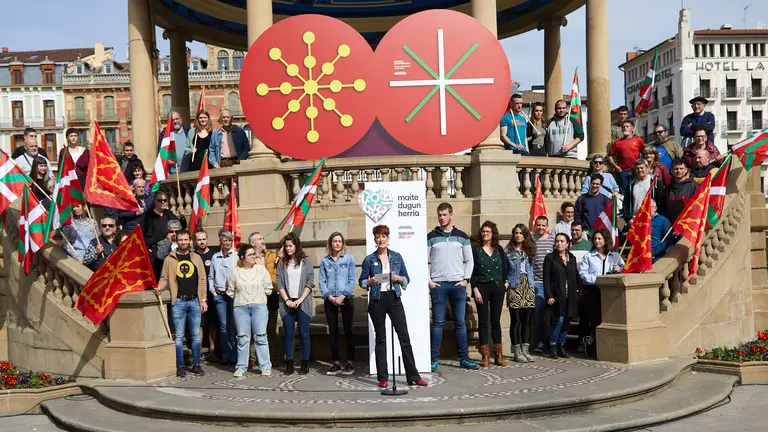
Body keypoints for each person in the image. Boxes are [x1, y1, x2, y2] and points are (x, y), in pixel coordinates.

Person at [359, 225, 427, 388]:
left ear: (388, 239)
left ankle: (413, 375)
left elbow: (407, 279)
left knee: (404, 335)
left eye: (383, 236)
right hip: (377, 299)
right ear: (375, 240)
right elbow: (361, 282)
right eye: (378, 237)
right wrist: (371, 281)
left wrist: (398, 278)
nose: (381, 239)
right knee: (381, 338)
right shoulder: (369, 259)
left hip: (394, 297)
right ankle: (383, 377)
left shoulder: (396, 257)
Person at [427, 202, 479, 372]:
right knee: (438, 323)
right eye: (439, 215)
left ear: (451, 215)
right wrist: (429, 280)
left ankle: (464, 358)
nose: (441, 218)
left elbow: (470, 260)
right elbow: (423, 260)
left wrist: (466, 279)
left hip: (458, 285)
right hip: (438, 285)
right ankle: (433, 359)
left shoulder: (462, 236)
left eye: (444, 214)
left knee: (460, 323)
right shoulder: (431, 237)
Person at [154, 230, 207, 378]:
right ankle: (180, 366)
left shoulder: (196, 258)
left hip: (194, 300)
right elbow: (164, 277)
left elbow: (202, 279)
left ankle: (196, 364)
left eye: (185, 240)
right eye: (180, 240)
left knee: (196, 335)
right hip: (178, 301)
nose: (183, 242)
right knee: (178, 336)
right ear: (177, 241)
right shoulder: (169, 259)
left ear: (190, 241)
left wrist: (203, 299)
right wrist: (159, 287)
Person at [227, 244, 273, 377]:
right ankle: (241, 366)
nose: (254, 256)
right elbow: (231, 291)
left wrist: (259, 296)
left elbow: (268, 287)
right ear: (242, 257)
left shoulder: (261, 270)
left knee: (261, 336)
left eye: (254, 254)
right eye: (250, 254)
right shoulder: (235, 272)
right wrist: (242, 298)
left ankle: (265, 366)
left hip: (259, 307)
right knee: (242, 338)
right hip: (241, 308)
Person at [579, 228, 624, 358]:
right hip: (593, 291)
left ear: (606, 240)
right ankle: (593, 345)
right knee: (595, 320)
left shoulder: (614, 256)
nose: (597, 241)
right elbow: (583, 273)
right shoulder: (589, 256)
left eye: (599, 238)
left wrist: (618, 269)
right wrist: (598, 280)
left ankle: (600, 345)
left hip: (609, 293)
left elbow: (623, 270)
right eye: (595, 239)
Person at [470, 221, 509, 367]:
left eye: (488, 231)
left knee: (496, 321)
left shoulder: (499, 249)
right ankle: (485, 354)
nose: (485, 233)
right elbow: (472, 272)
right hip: (481, 287)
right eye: (483, 231)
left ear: (493, 233)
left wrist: (506, 283)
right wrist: (475, 289)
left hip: (498, 287)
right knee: (483, 321)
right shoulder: (476, 250)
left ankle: (498, 354)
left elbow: (505, 268)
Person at [276, 233, 314, 375]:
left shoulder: (306, 261)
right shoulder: (282, 262)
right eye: (286, 246)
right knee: (289, 334)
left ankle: (305, 363)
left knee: (304, 334)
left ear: (296, 246)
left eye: (290, 246)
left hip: (302, 302)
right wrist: (287, 300)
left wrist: (300, 299)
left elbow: (310, 281)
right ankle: (289, 363)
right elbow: (279, 282)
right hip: (287, 302)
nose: (288, 248)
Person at [318, 232, 356, 376]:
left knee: (348, 330)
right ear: (330, 243)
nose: (337, 243)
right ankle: (336, 363)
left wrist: (342, 295)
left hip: (345, 298)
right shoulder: (324, 261)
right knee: (333, 332)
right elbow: (321, 281)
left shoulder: (349, 259)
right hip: (330, 299)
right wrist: (329, 296)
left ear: (343, 243)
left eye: (340, 241)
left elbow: (352, 279)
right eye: (335, 241)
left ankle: (350, 362)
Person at [543, 233, 580, 359]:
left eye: (562, 241)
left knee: (566, 321)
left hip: (570, 296)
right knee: (558, 320)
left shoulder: (572, 258)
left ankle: (561, 345)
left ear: (567, 243)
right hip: (557, 295)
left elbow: (575, 276)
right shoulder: (550, 258)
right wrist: (549, 295)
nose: (559, 243)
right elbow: (546, 279)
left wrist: (577, 292)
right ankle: (552, 345)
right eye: (557, 241)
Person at [504, 223, 537, 364]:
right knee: (516, 320)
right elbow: (505, 269)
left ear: (525, 235)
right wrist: (507, 283)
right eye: (516, 233)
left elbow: (532, 268)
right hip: (515, 285)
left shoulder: (530, 249)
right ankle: (517, 351)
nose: (518, 235)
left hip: (528, 285)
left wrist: (532, 286)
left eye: (520, 233)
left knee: (527, 321)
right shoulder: (508, 251)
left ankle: (525, 349)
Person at [249, 232, 279, 366]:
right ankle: (253, 358)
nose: (263, 241)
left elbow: (277, 275)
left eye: (263, 238)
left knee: (271, 329)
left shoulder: (272, 256)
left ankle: (272, 357)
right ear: (252, 243)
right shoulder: (247, 258)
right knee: (254, 329)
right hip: (254, 296)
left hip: (270, 295)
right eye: (259, 239)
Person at [208, 229, 237, 365]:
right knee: (223, 326)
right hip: (219, 296)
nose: (227, 243)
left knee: (235, 325)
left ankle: (235, 355)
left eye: (229, 240)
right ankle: (226, 354)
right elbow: (211, 277)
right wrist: (213, 291)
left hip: (233, 296)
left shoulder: (236, 257)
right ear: (220, 241)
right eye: (224, 240)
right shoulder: (215, 257)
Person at [531, 216, 555, 354]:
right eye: (538, 225)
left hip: (551, 284)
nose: (540, 227)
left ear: (546, 226)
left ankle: (554, 341)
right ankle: (541, 341)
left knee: (554, 315)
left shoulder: (552, 241)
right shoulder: (531, 241)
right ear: (535, 225)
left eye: (543, 225)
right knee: (538, 315)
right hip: (537, 282)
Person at [194, 230, 218, 363]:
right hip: (198, 295)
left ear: (207, 240)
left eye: (204, 239)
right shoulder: (193, 256)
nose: (202, 242)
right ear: (195, 241)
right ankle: (198, 351)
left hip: (212, 295)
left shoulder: (213, 256)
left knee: (212, 323)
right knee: (200, 323)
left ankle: (213, 350)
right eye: (199, 239)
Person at [607, 120, 645, 196]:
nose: (625, 128)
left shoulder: (638, 140)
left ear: (632, 129)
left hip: (636, 171)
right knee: (624, 194)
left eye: (627, 126)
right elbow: (610, 155)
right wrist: (616, 166)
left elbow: (645, 153)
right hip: (623, 171)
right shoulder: (617, 142)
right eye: (623, 127)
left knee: (636, 192)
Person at [623, 159, 663, 225]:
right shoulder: (631, 184)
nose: (640, 170)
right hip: (635, 219)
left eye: (642, 168)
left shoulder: (655, 181)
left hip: (651, 219)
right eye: (637, 168)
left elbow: (661, 201)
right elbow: (626, 203)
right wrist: (628, 218)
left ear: (647, 169)